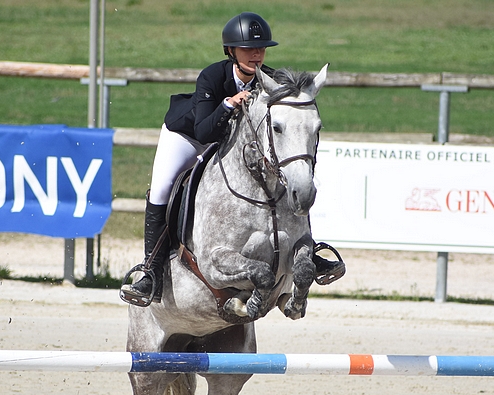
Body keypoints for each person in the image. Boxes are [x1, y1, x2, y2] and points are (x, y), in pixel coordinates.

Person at [120, 12, 344, 306]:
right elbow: (204, 130)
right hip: (190, 137)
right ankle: (150, 273)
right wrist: (228, 104)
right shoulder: (213, 77)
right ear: (231, 51)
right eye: (248, 49)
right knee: (163, 188)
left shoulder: (271, 81)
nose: (256, 54)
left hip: (235, 145)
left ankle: (308, 250)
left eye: (261, 48)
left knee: (289, 177)